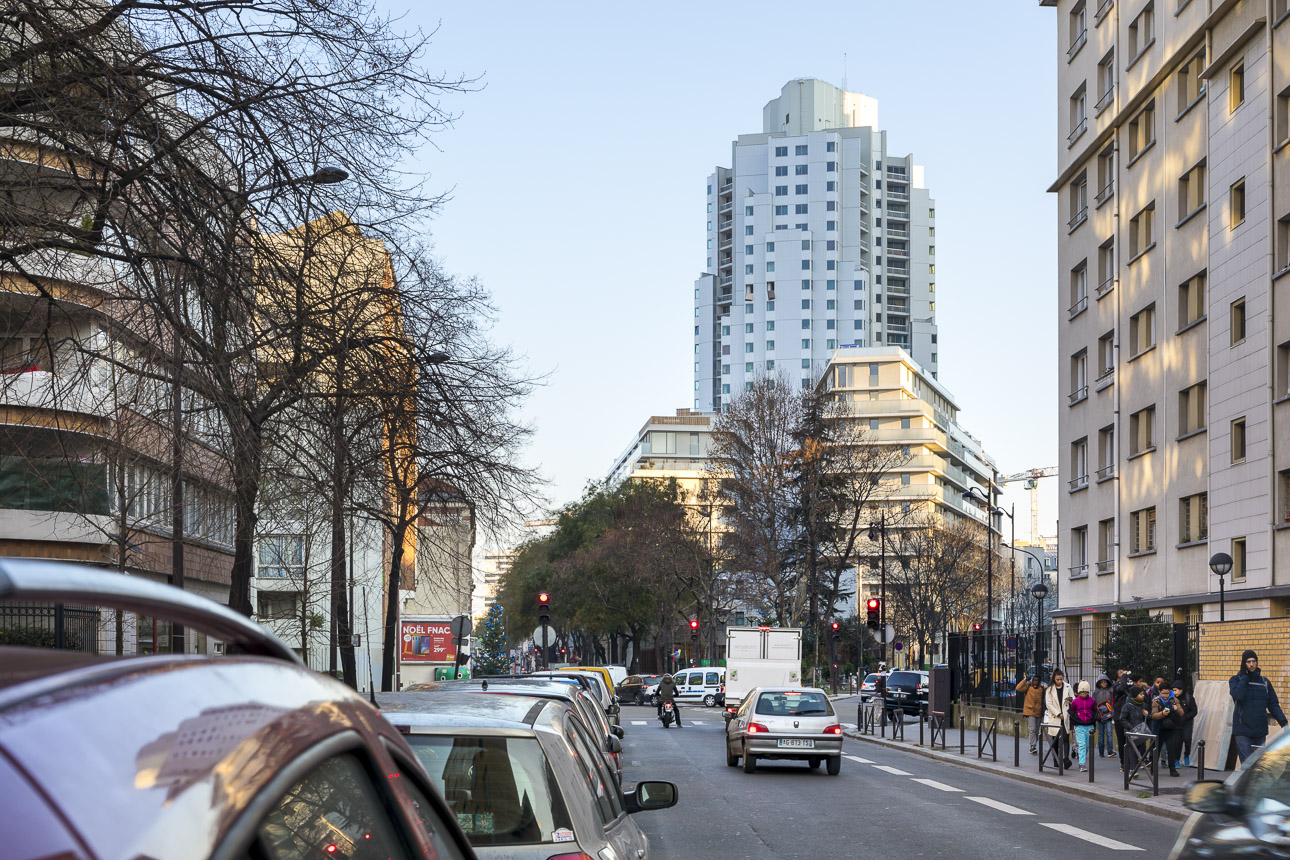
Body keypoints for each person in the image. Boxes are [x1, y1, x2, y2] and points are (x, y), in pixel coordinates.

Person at [1229, 650, 1287, 763]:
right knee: (1247, 765)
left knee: (1258, 766)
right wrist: (1245, 676)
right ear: (1243, 663)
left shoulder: (1264, 682)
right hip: (1242, 731)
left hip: (1259, 731)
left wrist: (1283, 722)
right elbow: (1238, 696)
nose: (1251, 664)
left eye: (1254, 661)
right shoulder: (1236, 680)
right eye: (1248, 662)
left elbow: (1273, 704)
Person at [1150, 681, 1185, 777]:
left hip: (1171, 728)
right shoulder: (1156, 701)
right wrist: (1162, 714)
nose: (1165, 695)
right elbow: (1153, 715)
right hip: (1159, 728)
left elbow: (1182, 713)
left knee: (1171, 749)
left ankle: (1172, 769)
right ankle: (1153, 768)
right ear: (1159, 692)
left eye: (1167, 693)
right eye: (1163, 693)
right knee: (1156, 749)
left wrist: (1176, 708)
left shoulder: (1174, 700)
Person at [1044, 669, 1074, 769]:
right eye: (1057, 679)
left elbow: (1073, 699)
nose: (1060, 681)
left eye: (1061, 679)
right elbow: (1049, 704)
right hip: (1055, 717)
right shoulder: (1049, 689)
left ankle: (1066, 759)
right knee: (1055, 741)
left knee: (1066, 739)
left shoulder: (1067, 686)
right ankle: (1056, 760)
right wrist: (1058, 713)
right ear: (1054, 679)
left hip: (1065, 716)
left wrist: (1070, 700)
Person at [1118, 684, 1150, 775]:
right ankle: (1133, 769)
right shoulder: (1127, 706)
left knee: (1141, 748)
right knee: (1132, 750)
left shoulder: (1144, 705)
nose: (1143, 696)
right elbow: (1122, 718)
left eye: (1143, 694)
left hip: (1141, 731)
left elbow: (1149, 718)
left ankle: (1138, 765)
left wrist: (1148, 715)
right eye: (1140, 694)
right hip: (1131, 732)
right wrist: (1131, 728)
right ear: (1135, 695)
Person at [1068, 680, 1098, 772]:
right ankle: (1082, 764)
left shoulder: (1092, 701)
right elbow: (1072, 714)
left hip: (1089, 725)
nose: (1083, 694)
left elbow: (1094, 711)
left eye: (1085, 692)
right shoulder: (1075, 702)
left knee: (1088, 745)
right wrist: (1072, 727)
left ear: (1088, 692)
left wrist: (1093, 721)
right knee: (1082, 744)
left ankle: (1082, 759)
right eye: (1082, 692)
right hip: (1079, 725)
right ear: (1079, 692)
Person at [1016, 673, 1045, 754]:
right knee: (1032, 729)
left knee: (1036, 730)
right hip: (1030, 711)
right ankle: (1033, 746)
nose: (1035, 682)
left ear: (1039, 681)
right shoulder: (1028, 687)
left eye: (1037, 681)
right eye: (1033, 680)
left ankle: (1033, 745)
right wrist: (1025, 679)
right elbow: (1018, 688)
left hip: (1039, 712)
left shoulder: (1042, 689)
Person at [1173, 682, 1199, 768]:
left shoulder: (1189, 698)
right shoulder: (1172, 699)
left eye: (1176, 690)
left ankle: (1186, 755)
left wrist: (1186, 717)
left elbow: (1194, 711)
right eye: (1173, 690)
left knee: (1187, 739)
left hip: (1187, 722)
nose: (1174, 692)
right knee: (1177, 742)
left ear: (1181, 690)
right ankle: (1176, 760)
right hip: (1176, 723)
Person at [1093, 673, 1115, 758]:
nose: (1103, 684)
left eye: (1105, 682)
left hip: (1108, 715)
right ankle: (1101, 751)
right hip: (1099, 716)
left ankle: (1110, 750)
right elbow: (1094, 704)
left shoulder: (1111, 691)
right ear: (1098, 683)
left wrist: (1111, 711)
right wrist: (1098, 714)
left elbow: (1112, 702)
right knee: (1100, 734)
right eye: (1101, 682)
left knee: (1109, 733)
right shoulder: (1096, 692)